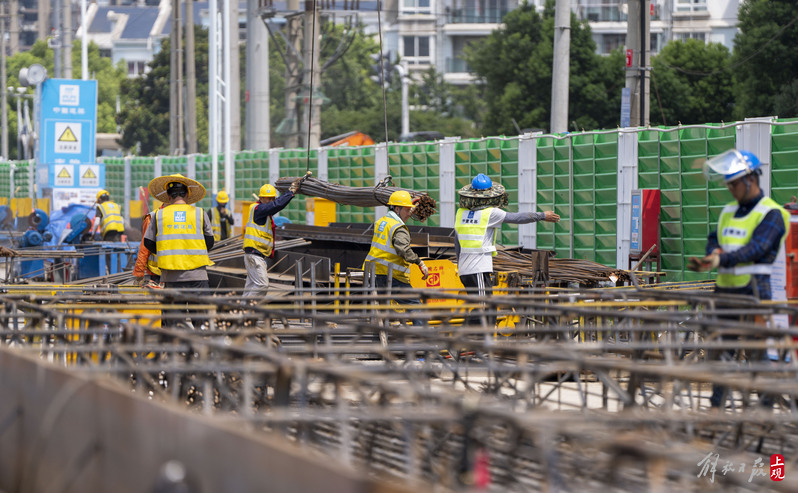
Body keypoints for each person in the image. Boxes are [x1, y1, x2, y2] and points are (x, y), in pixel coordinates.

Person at [688, 149, 790, 410]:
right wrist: (712, 254)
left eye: (733, 183)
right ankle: (716, 408)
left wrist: (721, 259)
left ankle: (765, 410)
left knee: (757, 354)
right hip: (725, 292)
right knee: (721, 353)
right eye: (728, 184)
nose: (730, 189)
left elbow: (757, 248)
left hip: (754, 291)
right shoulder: (728, 210)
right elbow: (716, 238)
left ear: (750, 180)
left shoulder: (773, 214)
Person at [454, 173, 559, 324]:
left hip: (466, 269)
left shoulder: (461, 213)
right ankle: (466, 340)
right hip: (477, 269)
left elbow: (456, 242)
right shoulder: (490, 213)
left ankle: (483, 342)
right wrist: (542, 215)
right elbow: (516, 218)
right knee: (483, 309)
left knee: (487, 309)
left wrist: (460, 265)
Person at [143, 174, 214, 327]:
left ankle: (176, 350)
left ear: (168, 196)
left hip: (171, 279)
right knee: (203, 325)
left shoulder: (158, 215)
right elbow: (210, 242)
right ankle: (202, 350)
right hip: (198, 277)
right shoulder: (200, 213)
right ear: (187, 194)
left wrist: (165, 251)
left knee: (174, 326)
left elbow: (148, 242)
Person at [243, 179, 302, 297]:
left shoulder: (262, 212)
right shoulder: (258, 209)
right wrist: (290, 192)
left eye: (272, 198)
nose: (270, 201)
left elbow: (274, 206)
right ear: (261, 198)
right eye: (267, 198)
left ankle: (241, 311)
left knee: (251, 286)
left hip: (255, 254)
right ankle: (247, 311)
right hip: (255, 255)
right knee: (262, 285)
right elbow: (276, 205)